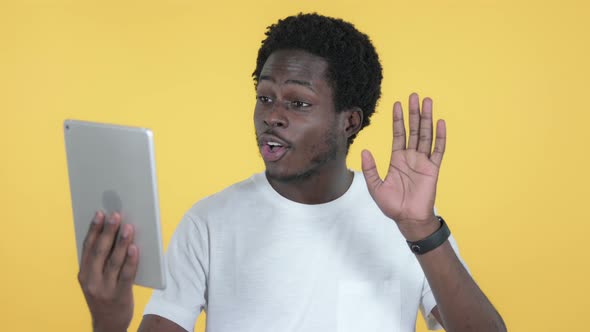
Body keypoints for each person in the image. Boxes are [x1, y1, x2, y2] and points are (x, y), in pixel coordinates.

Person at [77, 13, 506, 332]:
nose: (273, 117)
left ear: (349, 121)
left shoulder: (407, 227)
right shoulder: (209, 221)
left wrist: (421, 228)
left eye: (298, 103)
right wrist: (108, 320)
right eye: (265, 98)